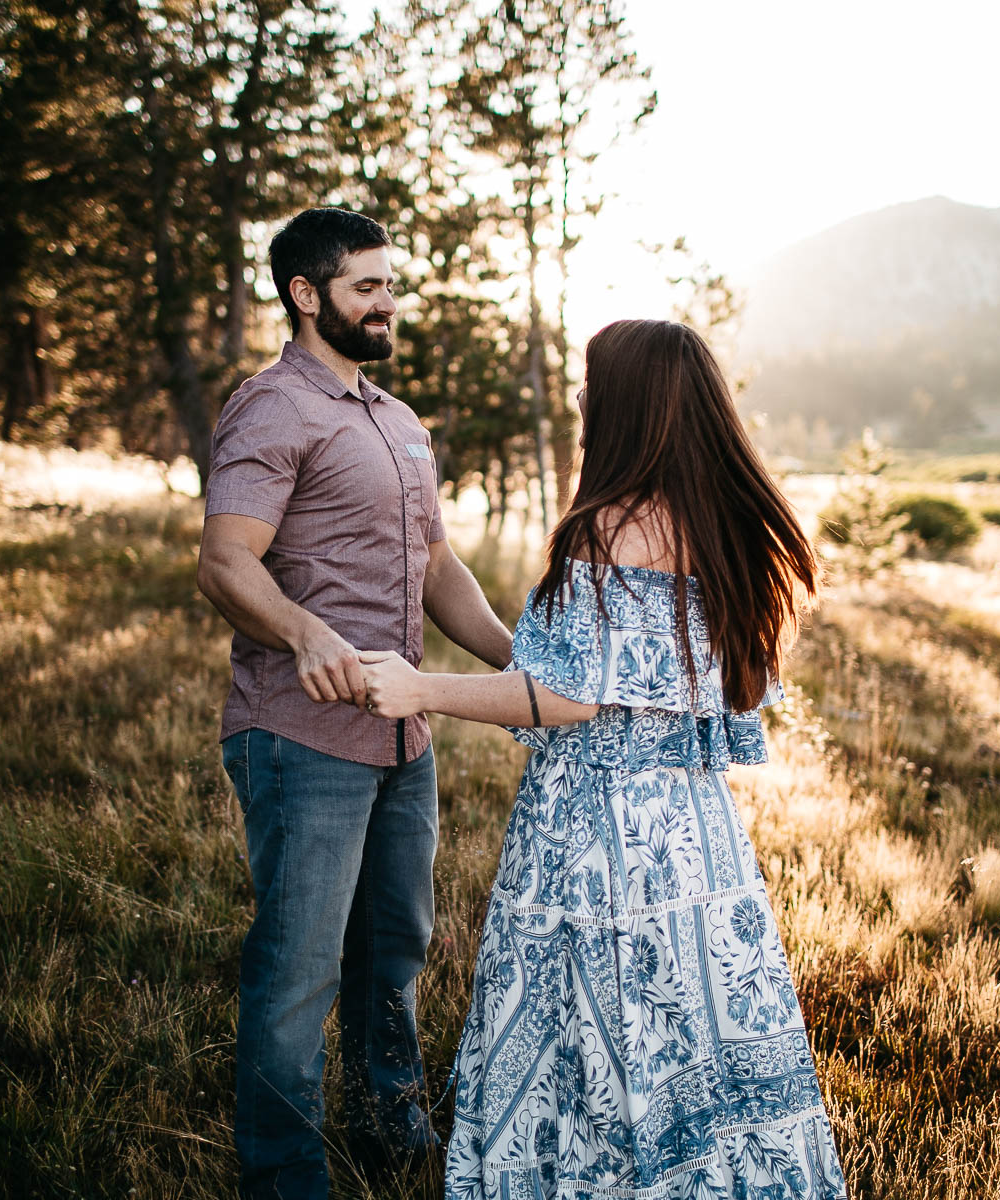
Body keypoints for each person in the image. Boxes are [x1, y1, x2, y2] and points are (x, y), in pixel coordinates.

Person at [360, 318, 848, 1198]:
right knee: (693, 1029)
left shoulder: (610, 526)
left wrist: (419, 687)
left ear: (629, 405)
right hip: (695, 839)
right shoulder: (724, 523)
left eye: (592, 384)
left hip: (595, 837)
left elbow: (570, 698)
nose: (581, 398)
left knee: (586, 1030)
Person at [195, 207, 513, 1200]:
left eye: (390, 286)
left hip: (403, 739)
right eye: (366, 287)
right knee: (299, 972)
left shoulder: (399, 420)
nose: (388, 304)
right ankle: (286, 1176)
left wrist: (520, 664)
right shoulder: (272, 409)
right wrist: (307, 635)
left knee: (395, 949)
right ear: (306, 294)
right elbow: (225, 561)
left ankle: (392, 1124)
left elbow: (437, 566)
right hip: (303, 739)